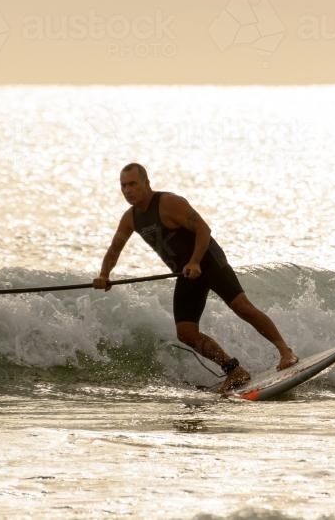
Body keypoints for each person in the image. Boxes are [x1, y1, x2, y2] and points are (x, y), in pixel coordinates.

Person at [93, 163, 297, 391]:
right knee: (186, 333)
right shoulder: (130, 218)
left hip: (208, 261)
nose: (128, 190)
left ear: (146, 183)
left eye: (133, 184)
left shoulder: (169, 202)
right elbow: (115, 248)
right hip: (188, 273)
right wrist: (104, 275)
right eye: (123, 186)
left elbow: (203, 229)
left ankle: (285, 351)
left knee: (241, 306)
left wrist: (195, 261)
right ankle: (234, 371)